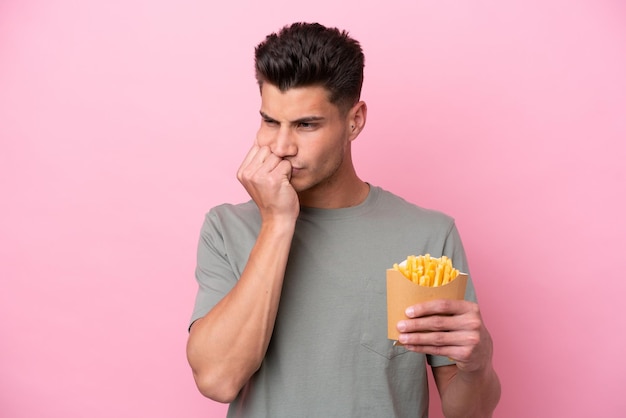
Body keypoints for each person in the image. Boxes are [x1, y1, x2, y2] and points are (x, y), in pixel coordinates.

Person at [186, 22, 501, 417]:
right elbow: (217, 379)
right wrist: (278, 222)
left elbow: (467, 412)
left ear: (354, 121)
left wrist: (479, 365)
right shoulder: (225, 228)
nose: (281, 146)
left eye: (306, 124)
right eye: (270, 121)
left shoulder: (427, 236)